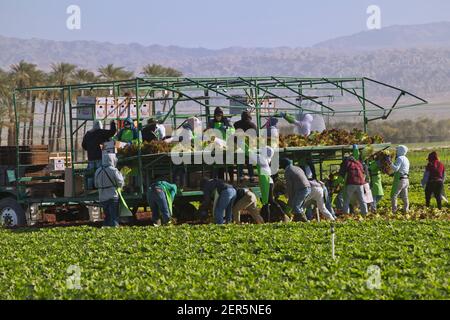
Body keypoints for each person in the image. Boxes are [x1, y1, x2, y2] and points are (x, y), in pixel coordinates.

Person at [251, 147, 289, 222]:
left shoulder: (261, 158)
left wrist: (240, 143)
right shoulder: (266, 160)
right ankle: (272, 220)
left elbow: (249, 152)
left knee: (267, 202)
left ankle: (282, 216)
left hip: (266, 182)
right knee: (268, 201)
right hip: (269, 181)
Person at [82, 120, 117, 190]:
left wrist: (90, 148)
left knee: (91, 174)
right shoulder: (101, 132)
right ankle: (99, 187)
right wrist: (112, 123)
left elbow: (83, 146)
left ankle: (89, 189)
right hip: (100, 157)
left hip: (91, 158)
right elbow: (112, 132)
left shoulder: (88, 134)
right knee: (100, 173)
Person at [94, 153, 124, 227]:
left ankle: (106, 231)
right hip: (112, 195)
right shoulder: (113, 170)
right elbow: (120, 182)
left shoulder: (98, 171)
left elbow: (96, 184)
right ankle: (115, 231)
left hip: (102, 197)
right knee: (114, 217)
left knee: (107, 217)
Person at [280, 157, 311, 222]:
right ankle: (299, 221)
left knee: (295, 206)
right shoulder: (297, 168)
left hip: (301, 189)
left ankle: (304, 222)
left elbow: (289, 187)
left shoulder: (288, 171)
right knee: (299, 207)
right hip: (308, 188)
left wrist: (290, 199)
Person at [339, 145, 368, 215]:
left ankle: (345, 214)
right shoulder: (358, 163)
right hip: (360, 183)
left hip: (351, 183)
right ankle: (365, 213)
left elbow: (342, 174)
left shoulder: (347, 162)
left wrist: (338, 183)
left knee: (347, 199)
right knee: (362, 199)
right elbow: (364, 173)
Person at [234, 111, 257, 183]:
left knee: (240, 162)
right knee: (249, 163)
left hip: (239, 145)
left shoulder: (237, 124)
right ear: (249, 117)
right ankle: (252, 177)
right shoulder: (252, 125)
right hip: (249, 146)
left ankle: (240, 177)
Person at [390, 145, 410, 213]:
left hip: (400, 179)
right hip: (406, 179)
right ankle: (406, 210)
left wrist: (390, 163)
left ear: (400, 151)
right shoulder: (406, 159)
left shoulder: (400, 158)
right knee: (405, 196)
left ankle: (394, 211)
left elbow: (396, 169)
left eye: (397, 150)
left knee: (394, 195)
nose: (396, 151)